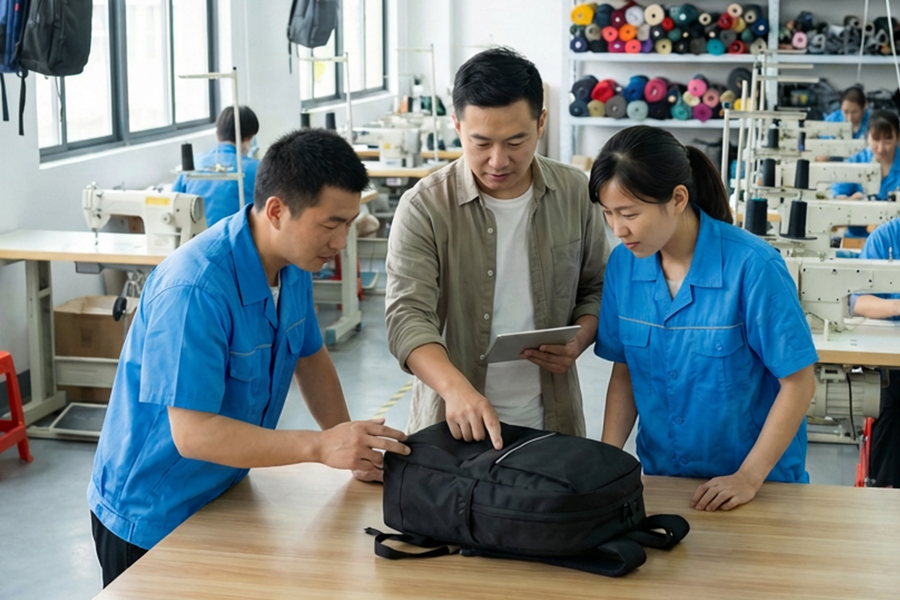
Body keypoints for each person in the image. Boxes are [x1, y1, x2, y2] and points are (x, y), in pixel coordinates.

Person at [88, 128, 409, 587]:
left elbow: (311, 359)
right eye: (330, 224)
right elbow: (194, 435)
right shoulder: (196, 289)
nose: (341, 242)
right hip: (152, 513)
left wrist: (348, 444)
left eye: (348, 223)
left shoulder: (294, 265)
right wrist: (319, 448)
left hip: (223, 490)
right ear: (277, 211)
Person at [385, 47, 607, 449]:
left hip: (552, 423)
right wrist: (455, 389)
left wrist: (581, 337)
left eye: (516, 141)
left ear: (541, 123)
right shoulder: (425, 207)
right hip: (452, 425)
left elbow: (598, 286)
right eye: (481, 142)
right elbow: (407, 316)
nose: (498, 160)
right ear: (456, 124)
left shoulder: (575, 193)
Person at [591, 125, 817, 511]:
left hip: (756, 488)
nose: (618, 229)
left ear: (678, 199)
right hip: (665, 481)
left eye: (629, 214)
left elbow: (799, 383)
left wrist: (748, 477)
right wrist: (605, 464)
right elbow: (626, 372)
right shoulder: (623, 268)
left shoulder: (753, 266)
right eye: (608, 214)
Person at [851, 218, 900, 487]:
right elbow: (858, 299)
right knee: (891, 403)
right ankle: (885, 489)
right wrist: (897, 307)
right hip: (892, 362)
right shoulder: (886, 237)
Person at [173, 106, 261, 227]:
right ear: (249, 138)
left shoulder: (192, 165)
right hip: (234, 241)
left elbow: (173, 203)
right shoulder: (256, 169)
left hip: (195, 241)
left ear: (217, 134)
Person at [832, 110, 900, 237]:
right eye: (875, 139)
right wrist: (847, 202)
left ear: (898, 137)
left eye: (888, 141)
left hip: (895, 238)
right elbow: (837, 193)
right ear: (867, 136)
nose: (880, 148)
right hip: (857, 237)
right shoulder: (856, 162)